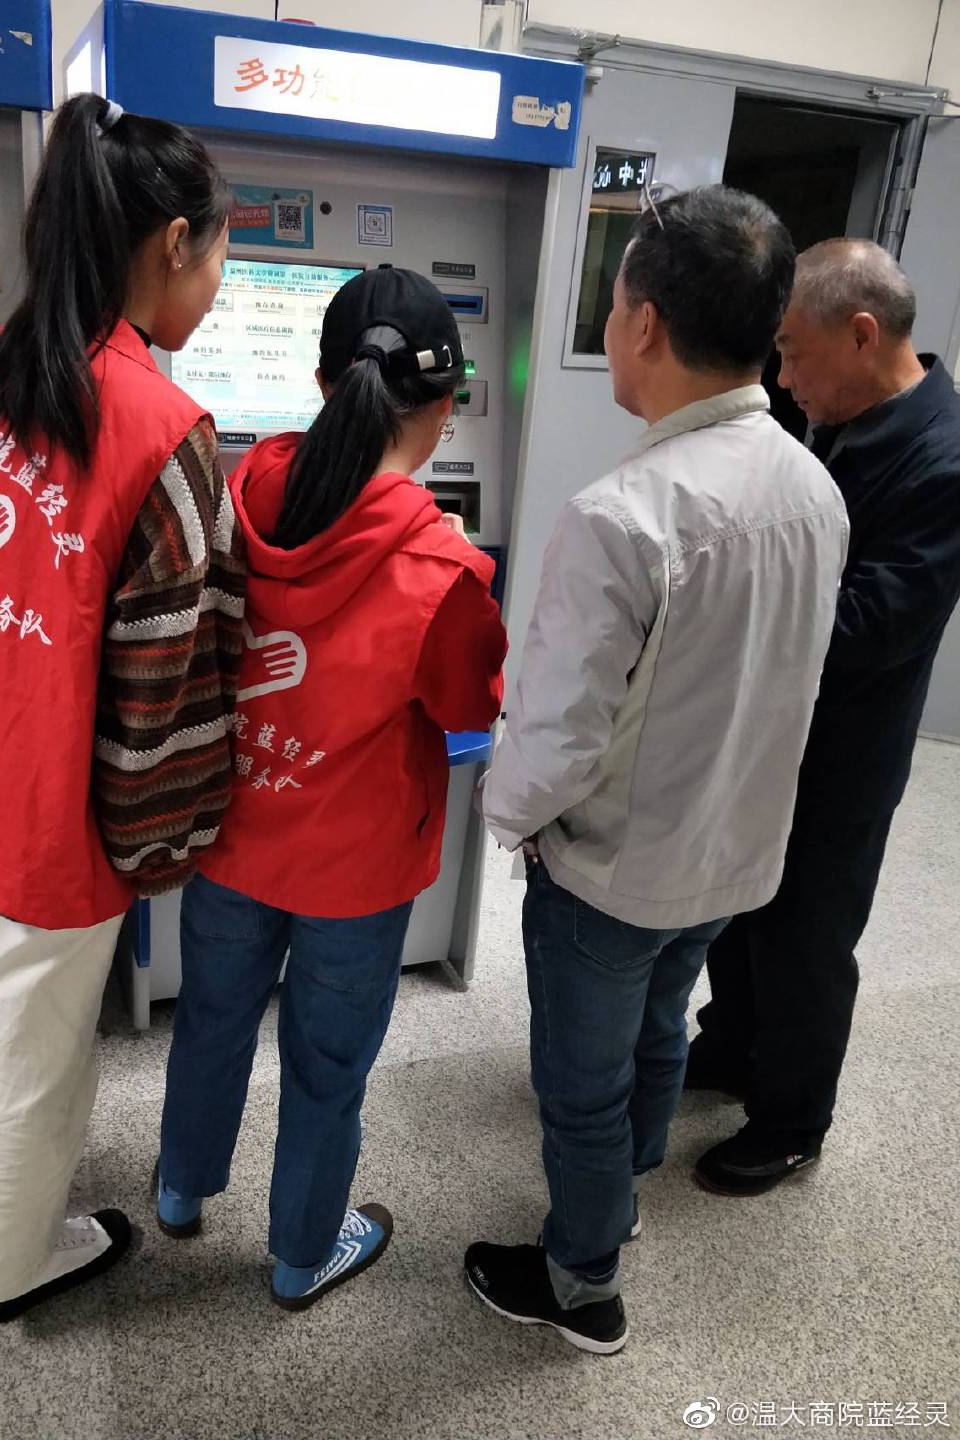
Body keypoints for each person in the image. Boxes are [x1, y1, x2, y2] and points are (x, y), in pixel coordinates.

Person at [464, 186, 849, 1355]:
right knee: (661, 1026)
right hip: (732, 858)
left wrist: (503, 813)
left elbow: (557, 736)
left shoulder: (622, 514)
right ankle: (623, 1191)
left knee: (579, 1080)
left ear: (642, 322)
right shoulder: (814, 489)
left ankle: (584, 1284)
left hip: (610, 871)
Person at [0, 94, 245, 1321]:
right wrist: (156, 845)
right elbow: (162, 685)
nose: (217, 288)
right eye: (220, 255)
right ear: (175, 241)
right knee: (40, 1049)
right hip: (51, 818)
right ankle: (12, 1264)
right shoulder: (167, 429)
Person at [156, 266, 507, 1311]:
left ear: (322, 384)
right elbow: (467, 707)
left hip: (230, 834)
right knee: (327, 1063)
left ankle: (179, 1189)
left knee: (211, 1019)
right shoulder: (442, 569)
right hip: (355, 873)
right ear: (447, 405)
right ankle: (301, 1253)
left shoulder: (239, 493)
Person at [689, 240, 960, 1193]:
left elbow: (871, 626)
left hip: (844, 750)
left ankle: (793, 1120)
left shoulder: (942, 459)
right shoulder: (836, 418)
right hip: (771, 728)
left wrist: (728, 607)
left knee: (807, 933)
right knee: (738, 903)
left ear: (863, 334)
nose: (783, 378)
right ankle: (731, 1046)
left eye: (795, 355)